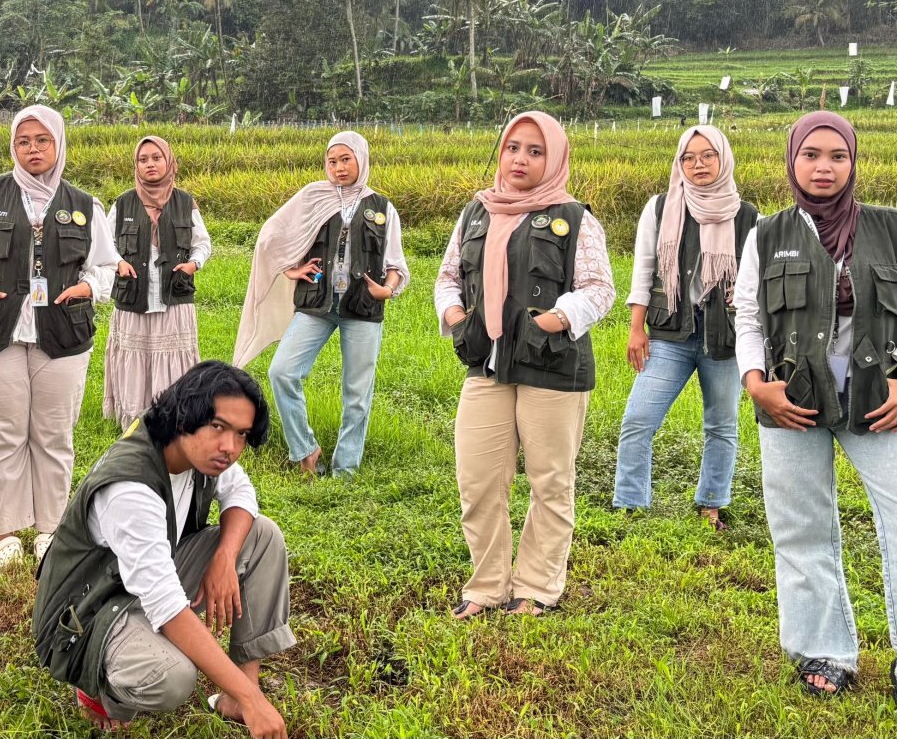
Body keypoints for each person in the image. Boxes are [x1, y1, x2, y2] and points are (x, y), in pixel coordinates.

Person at [735, 111, 897, 717]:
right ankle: (823, 652)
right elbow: (747, 317)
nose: (823, 167)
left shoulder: (893, 229)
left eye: (837, 156)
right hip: (791, 397)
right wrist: (757, 386)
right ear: (792, 160)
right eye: (811, 155)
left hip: (877, 397)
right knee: (801, 525)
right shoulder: (766, 234)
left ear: (853, 161)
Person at [34, 361, 292, 738]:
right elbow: (167, 606)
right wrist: (259, 703)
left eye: (241, 434)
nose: (230, 447)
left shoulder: (198, 451)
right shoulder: (131, 489)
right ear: (186, 415)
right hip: (87, 612)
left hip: (137, 582)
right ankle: (101, 693)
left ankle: (238, 698)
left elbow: (241, 493)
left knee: (261, 536)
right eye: (219, 427)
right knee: (171, 676)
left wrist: (223, 557)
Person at [435, 111, 614, 618]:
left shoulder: (575, 218)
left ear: (553, 159)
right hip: (487, 365)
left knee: (550, 481)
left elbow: (600, 288)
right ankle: (487, 585)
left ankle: (536, 586)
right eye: (513, 148)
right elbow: (449, 274)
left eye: (536, 152)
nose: (521, 160)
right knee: (478, 479)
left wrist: (556, 319)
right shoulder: (477, 212)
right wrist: (452, 311)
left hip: (552, 368)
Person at [0, 105, 116, 569]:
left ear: (58, 144)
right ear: (13, 146)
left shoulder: (83, 204)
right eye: (23, 141)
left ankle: (50, 529)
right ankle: (6, 532)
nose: (33, 149)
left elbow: (109, 267)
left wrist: (89, 287)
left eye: (42, 140)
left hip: (63, 333)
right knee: (1, 433)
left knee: (53, 434)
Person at [233, 131, 407, 478]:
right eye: (332, 161)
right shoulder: (313, 197)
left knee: (357, 391)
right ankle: (306, 450)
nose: (339, 168)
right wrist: (291, 269)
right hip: (317, 304)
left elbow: (396, 265)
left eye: (346, 160)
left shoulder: (382, 207)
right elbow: (273, 235)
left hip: (362, 308)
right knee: (282, 371)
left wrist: (387, 290)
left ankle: (346, 468)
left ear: (361, 159)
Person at [612, 125, 756, 529]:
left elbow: (756, 281)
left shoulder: (747, 215)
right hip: (669, 332)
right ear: (680, 163)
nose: (698, 165)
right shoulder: (660, 208)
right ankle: (630, 503)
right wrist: (636, 328)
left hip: (723, 338)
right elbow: (644, 269)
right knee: (639, 418)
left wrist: (743, 309)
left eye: (708, 155)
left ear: (723, 158)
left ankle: (711, 503)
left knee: (722, 425)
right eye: (689, 158)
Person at [103, 135, 212, 428]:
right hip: (133, 294)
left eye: (156, 158)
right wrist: (118, 262)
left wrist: (193, 264)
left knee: (172, 356)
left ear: (169, 161)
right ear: (136, 165)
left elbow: (203, 243)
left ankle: (173, 414)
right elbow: (104, 244)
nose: (150, 164)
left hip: (173, 293)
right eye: (143, 159)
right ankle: (135, 418)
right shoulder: (123, 203)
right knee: (135, 356)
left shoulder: (185, 202)